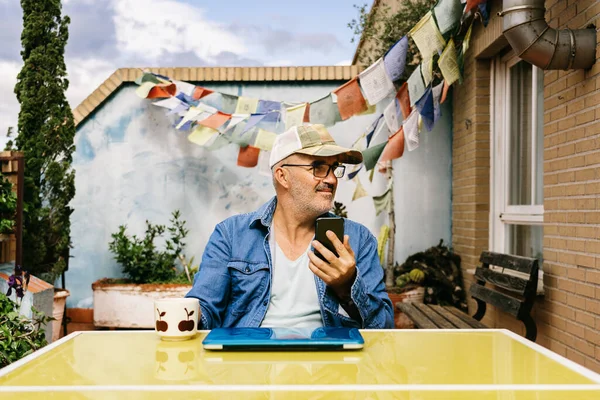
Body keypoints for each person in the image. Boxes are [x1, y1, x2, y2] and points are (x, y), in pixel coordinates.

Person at [186, 123, 394, 329]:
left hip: (329, 360)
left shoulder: (358, 239)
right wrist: (186, 316)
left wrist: (347, 287)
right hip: (250, 356)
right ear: (282, 176)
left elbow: (384, 327)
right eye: (318, 168)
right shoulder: (231, 235)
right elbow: (205, 309)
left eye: (334, 168)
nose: (331, 179)